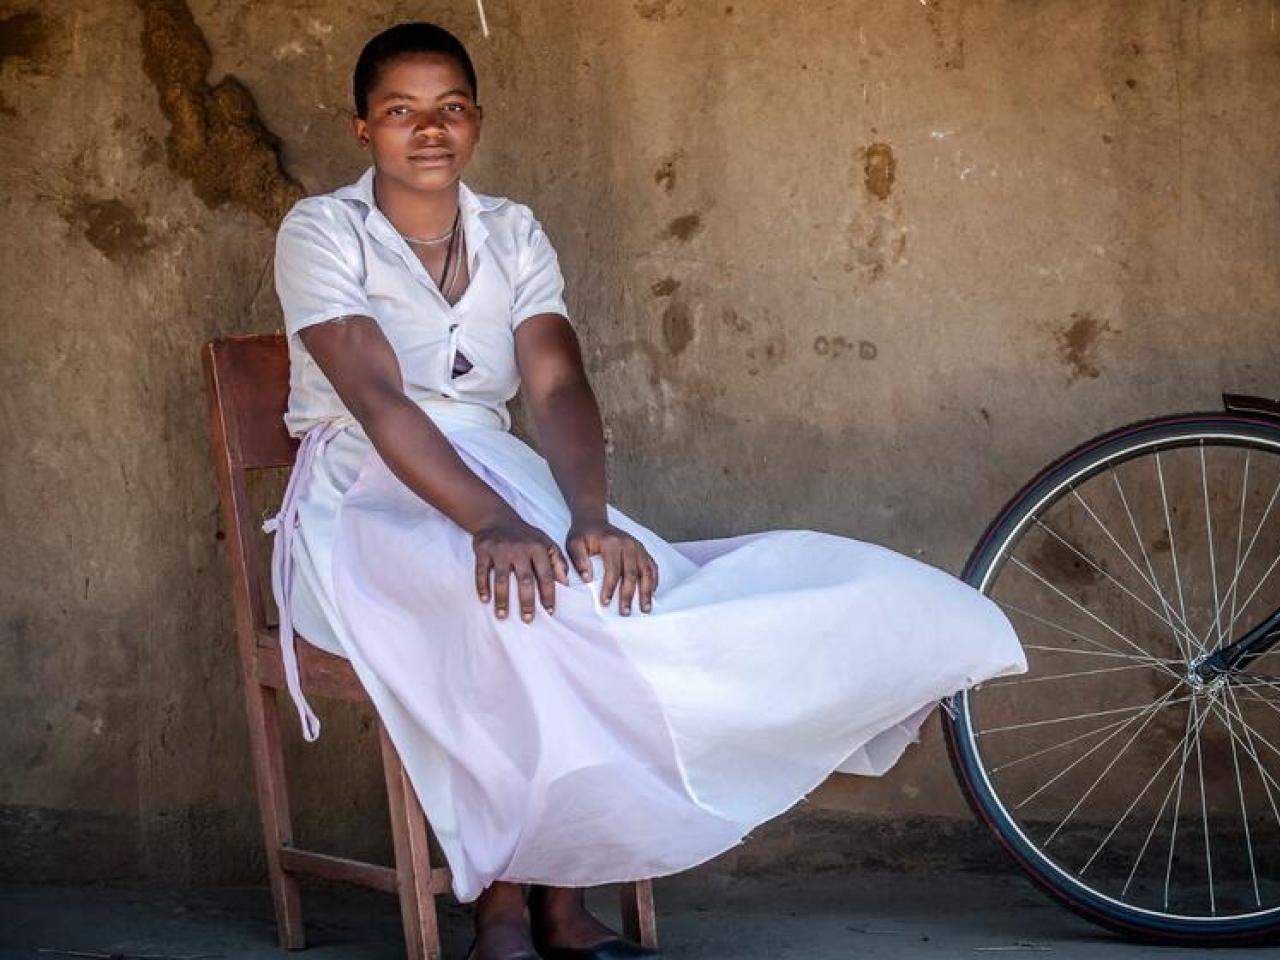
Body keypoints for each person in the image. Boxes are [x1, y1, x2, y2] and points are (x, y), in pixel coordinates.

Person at [269, 21, 1026, 960]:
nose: (430, 130)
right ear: (362, 130)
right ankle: (505, 907)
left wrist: (587, 518)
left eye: (450, 108)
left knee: (609, 592)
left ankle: (562, 895)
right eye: (400, 112)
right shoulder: (321, 230)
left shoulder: (513, 230)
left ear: (477, 121)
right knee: (514, 603)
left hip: (502, 476)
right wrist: (494, 524)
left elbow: (553, 384)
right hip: (363, 497)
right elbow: (379, 399)